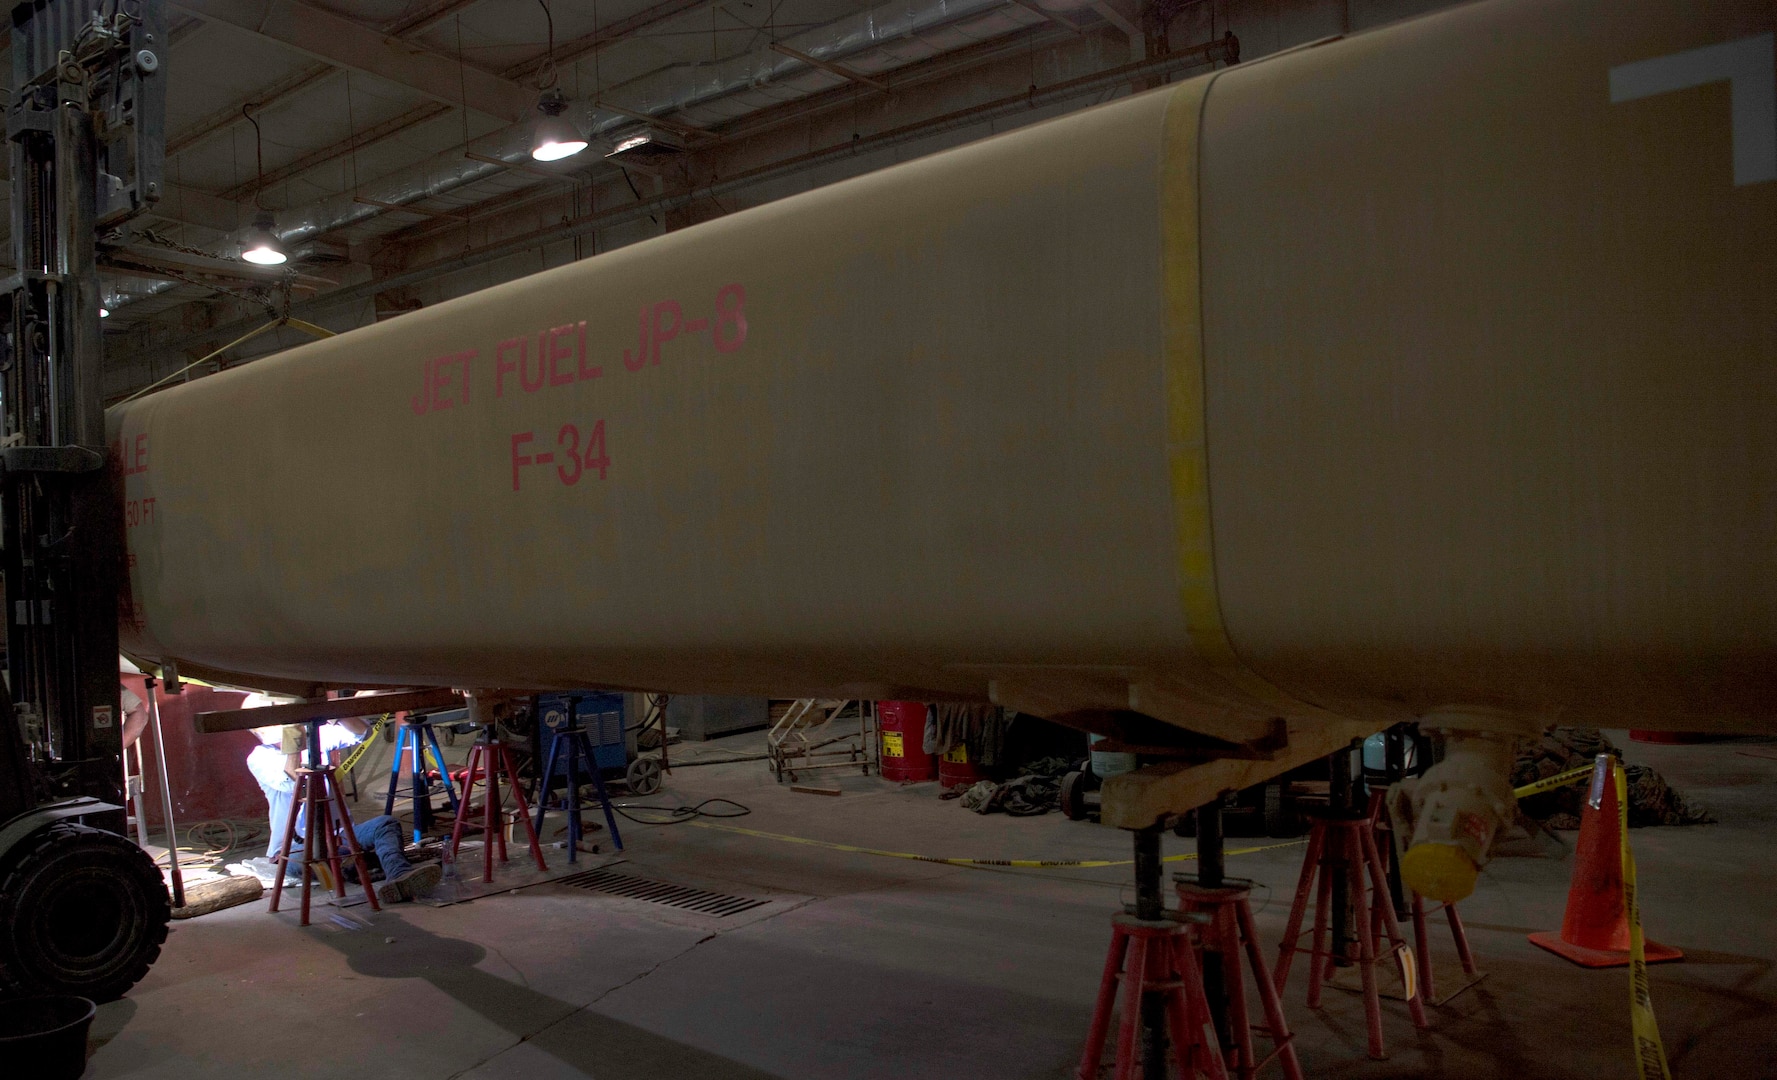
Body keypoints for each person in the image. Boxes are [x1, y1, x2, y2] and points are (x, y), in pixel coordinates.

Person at [243, 697, 440, 903]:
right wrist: (295, 741)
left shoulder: (316, 737)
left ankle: (399, 876)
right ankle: (361, 866)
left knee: (385, 825)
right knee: (318, 864)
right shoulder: (259, 758)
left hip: (341, 838)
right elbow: (294, 783)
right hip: (296, 851)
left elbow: (362, 732)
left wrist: (334, 709)